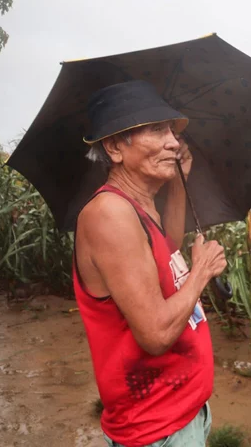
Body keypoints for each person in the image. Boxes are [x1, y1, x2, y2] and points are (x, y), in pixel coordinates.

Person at [72, 80, 226, 447]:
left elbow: (164, 252)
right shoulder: (109, 214)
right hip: (157, 427)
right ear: (114, 147)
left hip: (182, 410)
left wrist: (179, 183)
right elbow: (155, 335)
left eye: (171, 131)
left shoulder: (139, 205)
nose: (173, 141)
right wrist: (201, 271)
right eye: (157, 130)